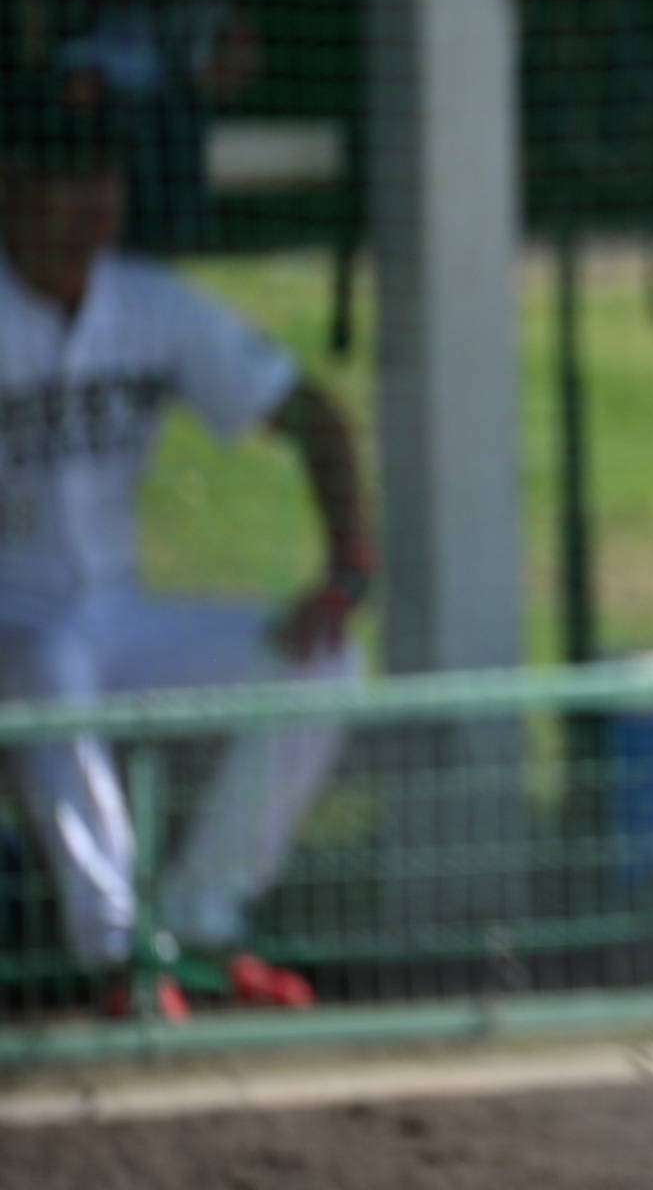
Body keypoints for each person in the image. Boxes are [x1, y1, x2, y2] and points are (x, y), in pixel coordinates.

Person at [0, 77, 368, 1017]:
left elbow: (313, 415)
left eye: (105, 174)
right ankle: (119, 955)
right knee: (45, 665)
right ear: (12, 185)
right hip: (15, 623)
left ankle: (204, 922)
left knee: (324, 664)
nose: (95, 199)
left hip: (118, 616)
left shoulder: (147, 304)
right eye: (68, 176)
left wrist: (347, 568)